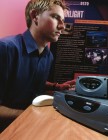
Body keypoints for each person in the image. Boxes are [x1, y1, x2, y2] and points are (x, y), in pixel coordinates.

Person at [0, 0, 75, 132]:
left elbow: (28, 81)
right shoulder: (6, 48)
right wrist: (31, 116)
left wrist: (55, 86)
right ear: (35, 16)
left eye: (63, 20)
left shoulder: (48, 56)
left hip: (29, 128)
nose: (63, 26)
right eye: (56, 17)